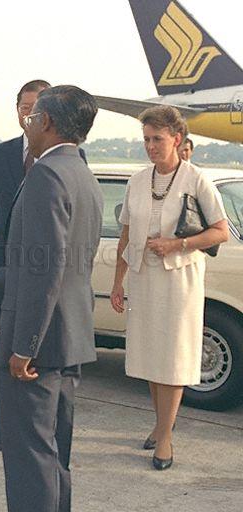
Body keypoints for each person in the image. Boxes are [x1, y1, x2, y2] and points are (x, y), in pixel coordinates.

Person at [0, 85, 103, 511]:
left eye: (33, 117)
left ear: (48, 123)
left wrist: (24, 347)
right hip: (69, 337)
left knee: (30, 459)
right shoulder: (82, 173)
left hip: (38, 346)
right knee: (55, 456)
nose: (28, 123)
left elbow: (43, 271)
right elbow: (39, 266)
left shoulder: (46, 174)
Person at [110, 106, 228, 470]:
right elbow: (126, 233)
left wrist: (176, 245)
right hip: (145, 278)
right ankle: (161, 424)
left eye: (157, 139)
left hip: (180, 281)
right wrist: (118, 280)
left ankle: (165, 438)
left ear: (177, 139)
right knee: (149, 355)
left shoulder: (196, 179)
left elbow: (220, 232)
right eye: (146, 139)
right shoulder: (137, 181)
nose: (151, 146)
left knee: (173, 356)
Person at [0, 79, 49, 451]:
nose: (29, 112)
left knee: (39, 350)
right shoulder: (1, 154)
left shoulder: (65, 157)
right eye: (24, 105)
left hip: (46, 267)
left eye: (37, 105)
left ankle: (33, 431)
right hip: (7, 263)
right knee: (7, 350)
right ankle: (3, 429)